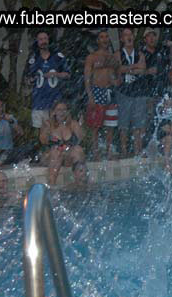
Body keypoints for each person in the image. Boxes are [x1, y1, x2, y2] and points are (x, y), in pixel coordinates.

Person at [24, 31, 70, 134]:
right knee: (40, 131)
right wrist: (31, 80)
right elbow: (28, 79)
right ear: (37, 42)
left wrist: (56, 74)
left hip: (55, 100)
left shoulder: (58, 57)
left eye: (45, 39)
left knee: (56, 129)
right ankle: (42, 149)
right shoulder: (33, 59)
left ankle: (56, 148)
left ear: (48, 40)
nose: (43, 41)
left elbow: (68, 74)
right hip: (38, 100)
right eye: (40, 39)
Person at [84, 29, 119, 160]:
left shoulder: (112, 57)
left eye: (106, 37)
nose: (105, 39)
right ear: (98, 41)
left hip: (109, 91)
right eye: (102, 37)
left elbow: (116, 72)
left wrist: (117, 80)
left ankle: (109, 150)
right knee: (95, 125)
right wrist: (90, 95)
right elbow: (87, 78)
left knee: (110, 124)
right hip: (97, 91)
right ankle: (96, 152)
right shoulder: (92, 57)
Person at [116, 28, 147, 157]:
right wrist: (135, 67)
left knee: (138, 124)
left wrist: (128, 69)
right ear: (122, 39)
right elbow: (118, 68)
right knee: (123, 124)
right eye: (126, 35)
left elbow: (143, 70)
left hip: (137, 92)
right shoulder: (118, 54)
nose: (128, 37)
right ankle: (124, 151)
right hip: (124, 92)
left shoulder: (140, 54)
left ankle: (137, 150)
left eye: (130, 35)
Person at [39, 101, 85, 185]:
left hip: (67, 157)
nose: (62, 112)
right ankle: (51, 185)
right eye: (59, 110)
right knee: (56, 152)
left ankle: (80, 184)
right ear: (54, 112)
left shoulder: (72, 124)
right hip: (50, 157)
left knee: (78, 149)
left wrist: (79, 126)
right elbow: (43, 141)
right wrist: (46, 129)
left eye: (64, 110)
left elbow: (81, 138)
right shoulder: (48, 124)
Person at [140, 28, 170, 151]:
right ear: (145, 39)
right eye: (149, 36)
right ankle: (144, 146)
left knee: (161, 118)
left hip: (161, 90)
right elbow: (137, 71)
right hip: (147, 91)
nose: (152, 38)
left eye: (154, 36)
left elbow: (169, 66)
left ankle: (159, 144)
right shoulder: (141, 54)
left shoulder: (161, 52)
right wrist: (147, 71)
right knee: (148, 118)